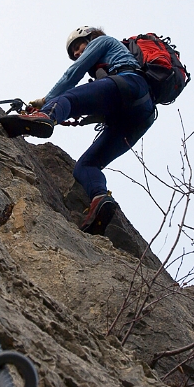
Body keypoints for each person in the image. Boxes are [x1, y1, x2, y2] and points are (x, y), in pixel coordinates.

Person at [23, 26, 155, 236]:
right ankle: (100, 199)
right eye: (73, 52)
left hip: (129, 83)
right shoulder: (109, 66)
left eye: (78, 46)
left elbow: (73, 74)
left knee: (65, 99)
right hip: (141, 114)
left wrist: (46, 103)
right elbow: (104, 102)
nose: (76, 53)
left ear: (90, 37)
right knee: (86, 166)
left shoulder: (103, 42)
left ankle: (45, 117)